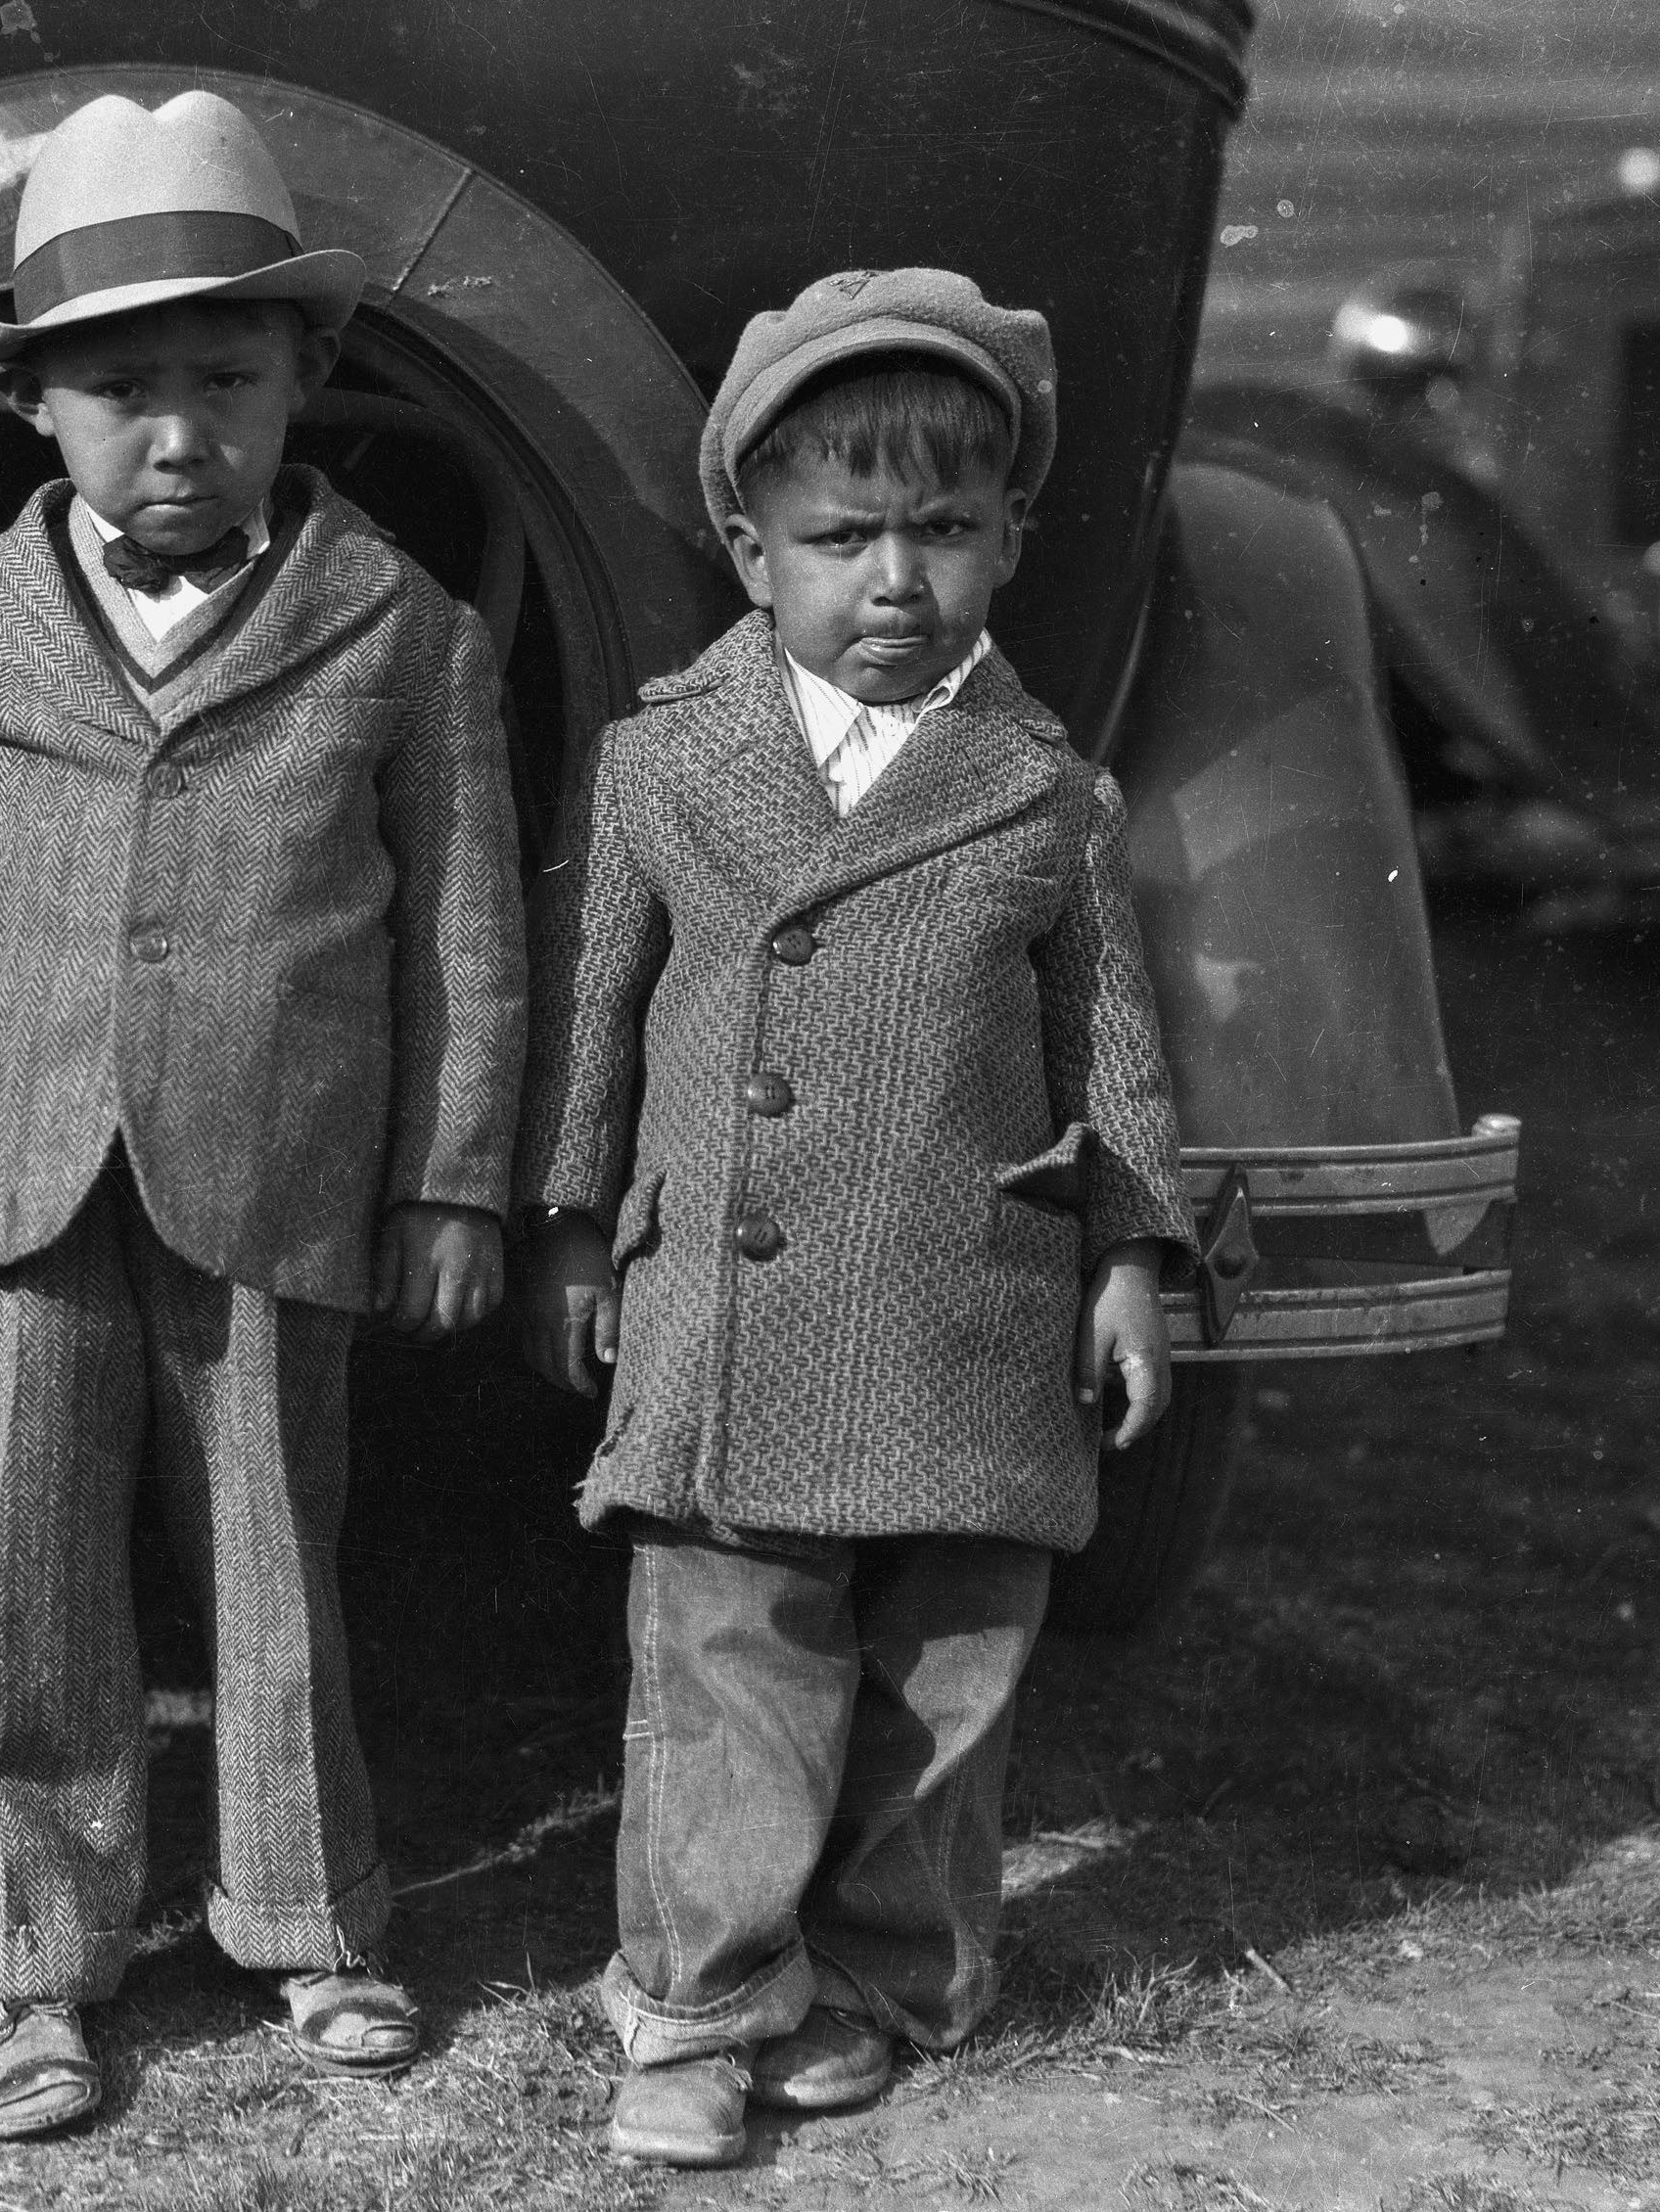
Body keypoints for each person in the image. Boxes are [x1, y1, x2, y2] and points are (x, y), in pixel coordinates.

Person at [0, 89, 528, 2142]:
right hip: (13, 1175)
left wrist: (455, 1171)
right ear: (30, 402)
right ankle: (28, 1964)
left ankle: (307, 1913)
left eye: (223, 381)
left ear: (306, 376)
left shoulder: (403, 631)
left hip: (281, 1169)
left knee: (272, 1556)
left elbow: (468, 935)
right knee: (24, 1575)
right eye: (118, 388)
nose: (175, 433)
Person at [509, 268, 1195, 2169]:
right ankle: (704, 1993)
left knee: (951, 1661)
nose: (898, 579)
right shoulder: (668, 761)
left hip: (966, 1297)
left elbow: (1113, 1051)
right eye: (844, 536)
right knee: (729, 1655)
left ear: (1009, 537)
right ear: (750, 542)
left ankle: (886, 1971)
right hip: (730, 1302)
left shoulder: (1048, 796)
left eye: (948, 531)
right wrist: (575, 1224)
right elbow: (593, 1017)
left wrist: (1132, 1257)